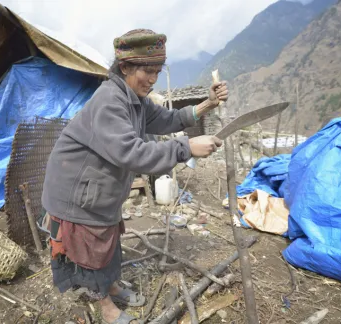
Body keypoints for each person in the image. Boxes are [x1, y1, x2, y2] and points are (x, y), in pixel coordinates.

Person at [41, 29, 228, 324]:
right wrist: (186, 147)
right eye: (147, 71)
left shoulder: (135, 100)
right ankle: (105, 306)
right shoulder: (110, 102)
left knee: (110, 240)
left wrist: (207, 104)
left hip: (100, 190)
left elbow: (168, 118)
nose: (152, 79)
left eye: (157, 71)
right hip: (76, 192)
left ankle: (112, 285)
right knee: (92, 248)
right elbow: (133, 153)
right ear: (125, 67)